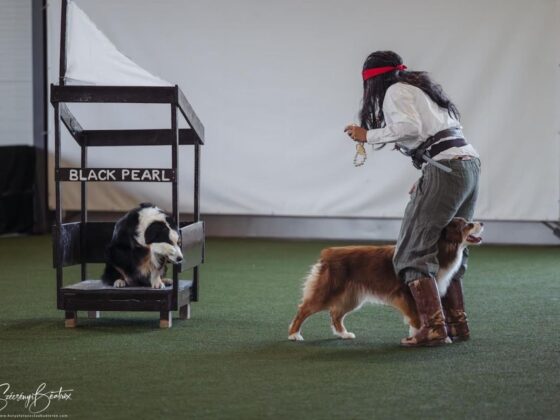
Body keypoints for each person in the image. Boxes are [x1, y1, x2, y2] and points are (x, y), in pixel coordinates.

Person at [344, 50, 480, 347]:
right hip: (466, 165)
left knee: (413, 250)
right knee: (451, 243)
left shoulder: (394, 91)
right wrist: (428, 175)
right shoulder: (420, 88)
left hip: (446, 168)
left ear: (372, 81)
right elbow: (440, 132)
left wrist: (367, 135)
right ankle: (457, 324)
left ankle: (432, 329)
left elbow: (410, 129)